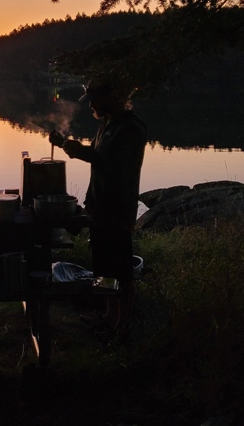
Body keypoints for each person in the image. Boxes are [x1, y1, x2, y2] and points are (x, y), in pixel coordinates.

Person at [52, 78, 147, 329]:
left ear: (111, 98)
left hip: (116, 208)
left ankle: (123, 321)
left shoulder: (130, 128)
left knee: (121, 268)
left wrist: (71, 147)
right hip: (100, 204)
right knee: (104, 266)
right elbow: (100, 159)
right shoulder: (108, 123)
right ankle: (110, 317)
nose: (91, 104)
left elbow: (108, 163)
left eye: (94, 99)